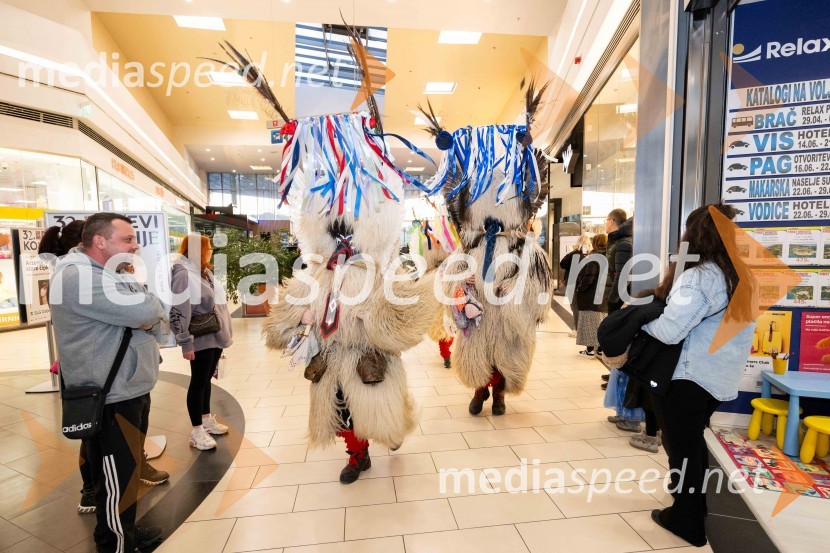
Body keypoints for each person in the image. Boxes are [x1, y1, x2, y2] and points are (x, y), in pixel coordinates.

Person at [50, 212, 166, 552]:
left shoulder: (108, 273)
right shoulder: (78, 277)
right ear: (100, 241)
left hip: (128, 386)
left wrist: (146, 308)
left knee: (126, 473)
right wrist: (145, 309)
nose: (135, 245)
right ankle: (116, 542)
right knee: (116, 477)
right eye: (127, 239)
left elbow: (151, 309)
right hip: (111, 394)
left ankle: (124, 530)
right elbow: (147, 311)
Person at [644, 204, 755, 547]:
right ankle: (691, 504)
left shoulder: (701, 277)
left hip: (687, 379)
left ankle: (687, 521)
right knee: (690, 444)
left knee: (683, 448)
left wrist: (639, 321)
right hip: (717, 379)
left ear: (695, 235)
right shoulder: (742, 276)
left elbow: (669, 331)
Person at [169, 234, 233, 451]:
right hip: (200, 336)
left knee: (206, 380)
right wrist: (185, 342)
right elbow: (179, 310)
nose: (211, 251)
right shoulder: (183, 274)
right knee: (198, 382)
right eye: (208, 248)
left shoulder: (203, 271)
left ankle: (205, 420)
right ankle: (196, 430)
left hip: (215, 335)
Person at [574, 234, 607, 356]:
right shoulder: (609, 256)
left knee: (589, 321)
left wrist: (580, 288)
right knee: (601, 322)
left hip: (591, 295)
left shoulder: (594, 257)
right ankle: (600, 348)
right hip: (604, 295)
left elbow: (589, 277)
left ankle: (590, 349)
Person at [560, 234, 591, 338]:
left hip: (573, 283)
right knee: (583, 307)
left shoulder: (574, 254)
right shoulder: (590, 255)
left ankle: (577, 330)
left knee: (575, 306)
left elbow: (562, 263)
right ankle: (583, 329)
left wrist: (574, 251)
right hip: (585, 284)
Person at [605, 209, 633, 314]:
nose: (605, 224)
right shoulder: (616, 241)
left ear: (612, 221)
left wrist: (612, 300)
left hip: (618, 299)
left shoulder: (623, 243)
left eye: (606, 220)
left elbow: (623, 275)